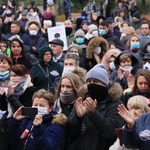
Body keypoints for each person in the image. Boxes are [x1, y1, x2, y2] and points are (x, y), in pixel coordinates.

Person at [67, 63, 124, 150]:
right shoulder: (81, 102)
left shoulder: (116, 104)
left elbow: (110, 131)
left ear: (105, 84)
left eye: (95, 81)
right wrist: (78, 117)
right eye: (89, 81)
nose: (91, 84)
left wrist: (93, 114)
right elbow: (70, 133)